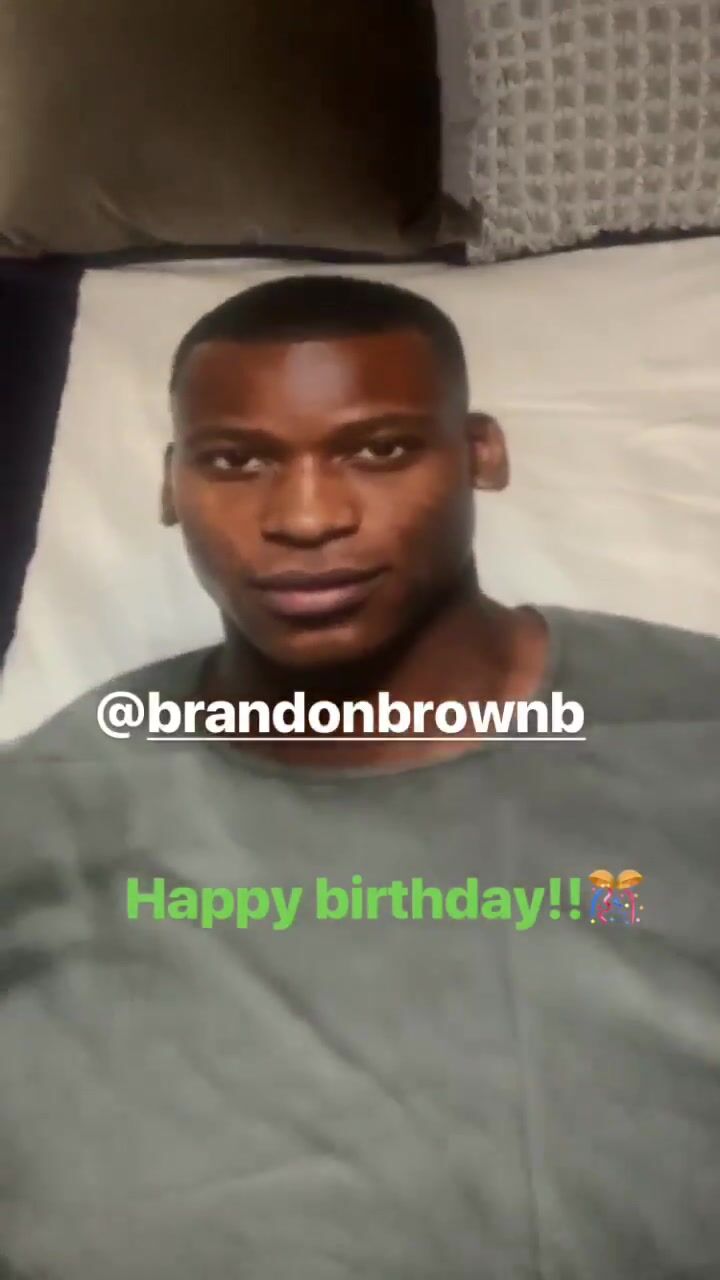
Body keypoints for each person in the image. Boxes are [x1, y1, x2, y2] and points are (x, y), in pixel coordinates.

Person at [1, 275, 719, 1280]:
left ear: (481, 454)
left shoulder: (688, 726)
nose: (306, 516)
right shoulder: (54, 801)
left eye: (378, 449)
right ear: (170, 485)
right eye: (235, 459)